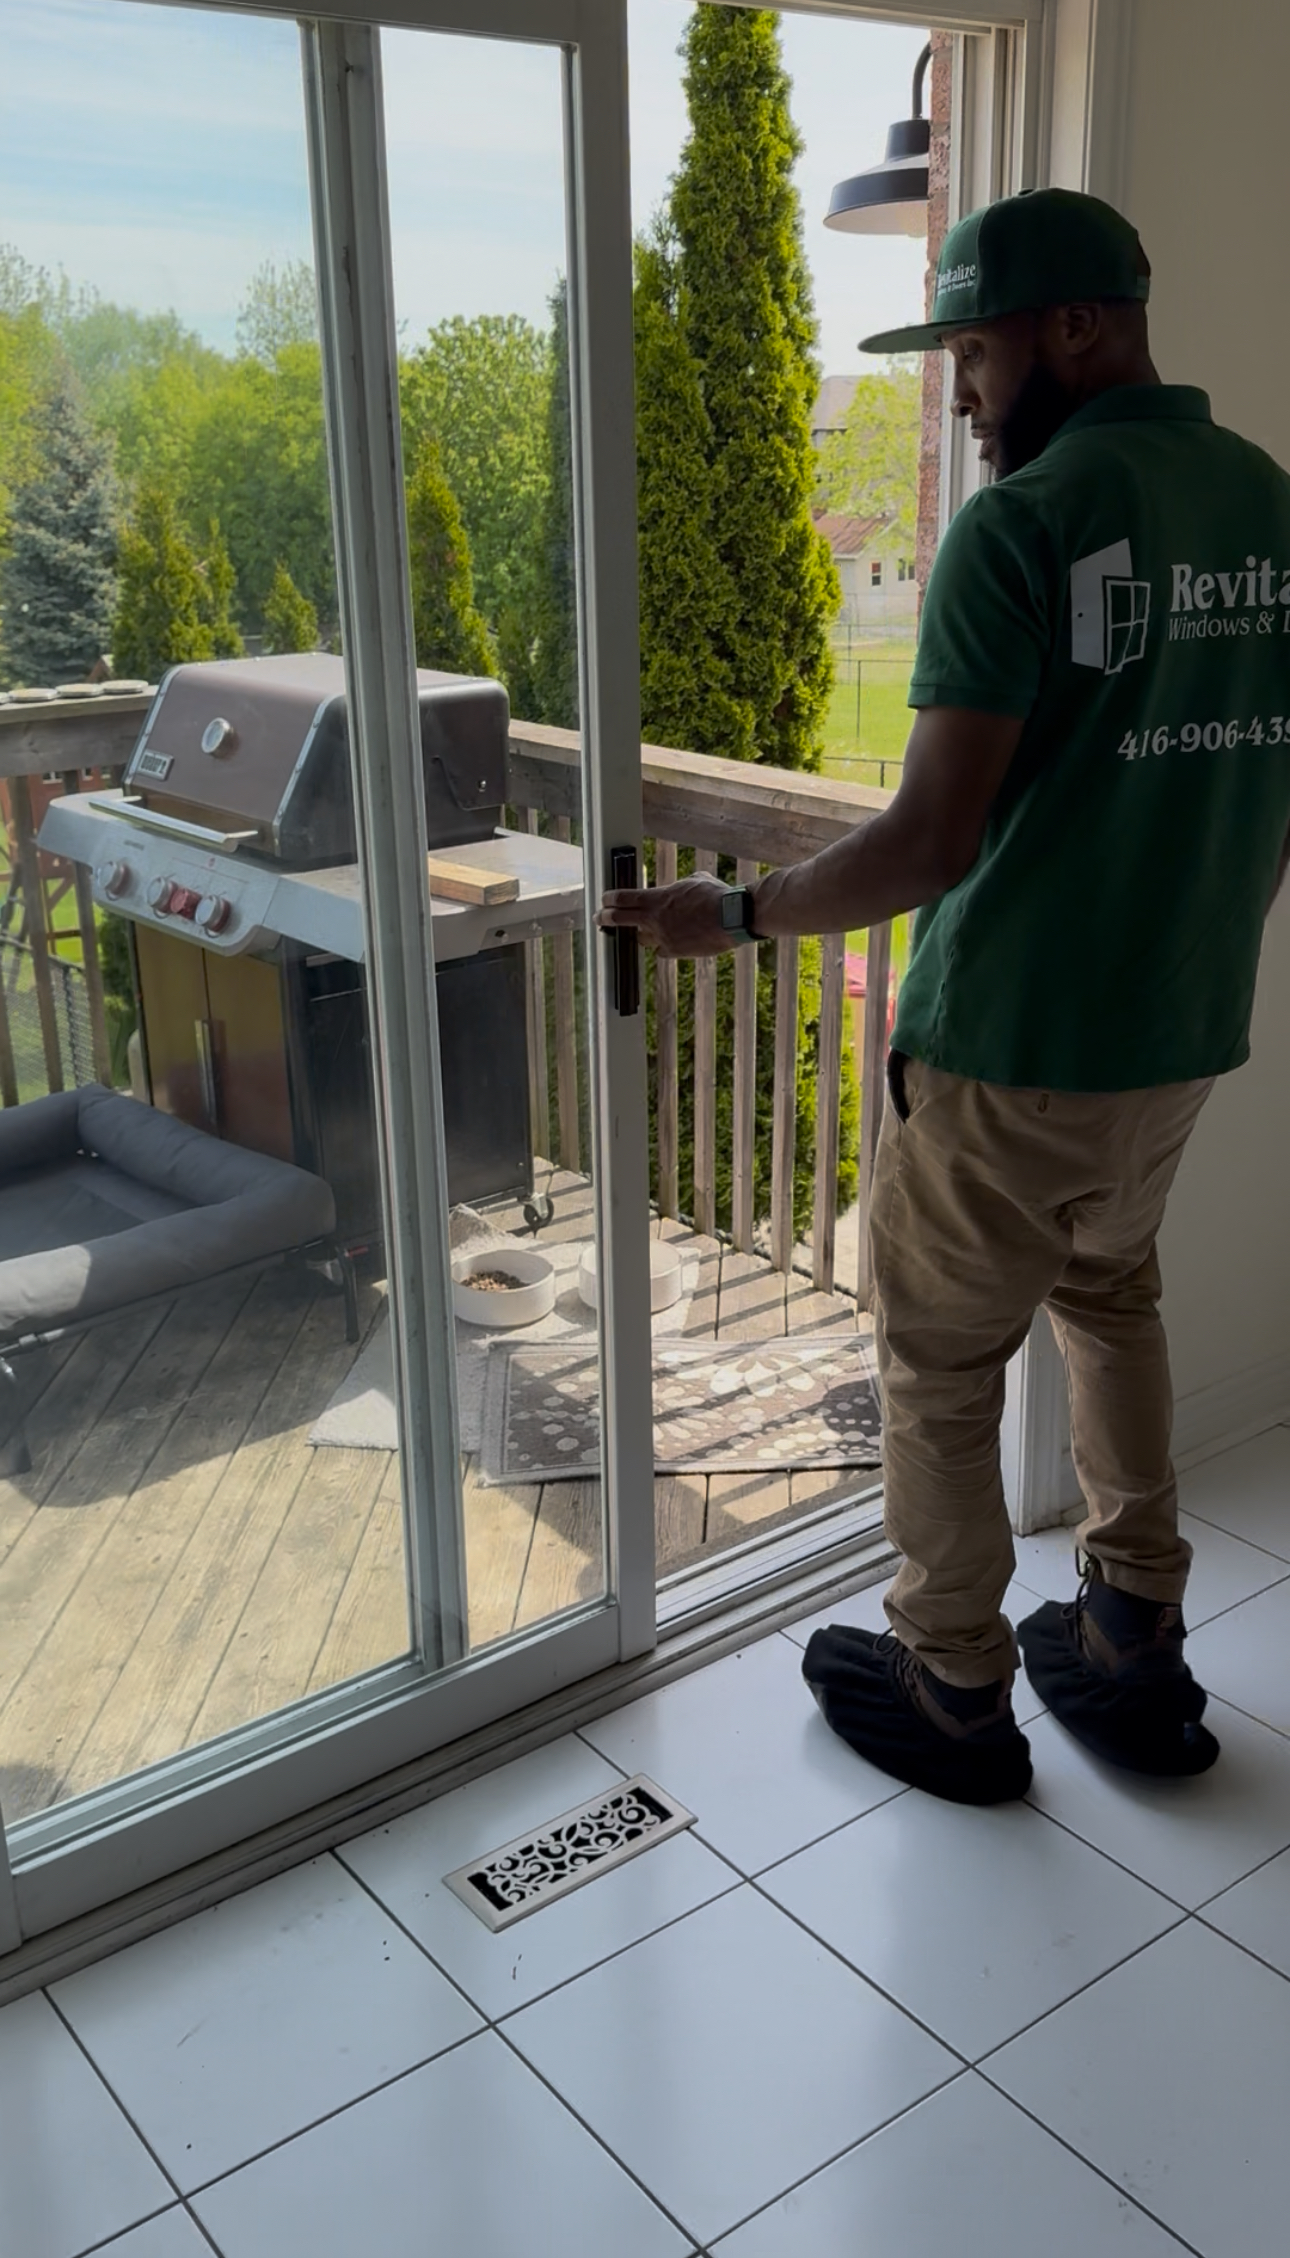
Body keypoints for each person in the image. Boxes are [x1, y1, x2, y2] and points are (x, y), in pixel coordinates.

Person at [599, 186, 1290, 1807]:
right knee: (1109, 1297)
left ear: (1072, 327)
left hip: (1005, 1048)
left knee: (936, 1362)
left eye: (974, 353)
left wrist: (733, 912)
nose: (963, 395)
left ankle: (953, 1677)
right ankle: (1129, 1626)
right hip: (1175, 1038)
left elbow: (928, 836)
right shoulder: (1264, 500)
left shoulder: (1023, 521)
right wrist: (1198, 942)